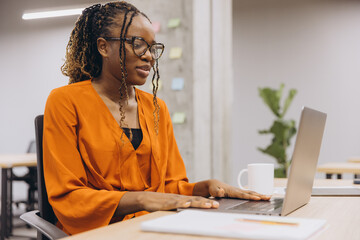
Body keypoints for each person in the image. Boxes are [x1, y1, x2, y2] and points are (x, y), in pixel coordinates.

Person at [43, 1, 270, 235]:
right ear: (103, 47)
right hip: (96, 232)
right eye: (139, 44)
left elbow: (168, 187)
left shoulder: (155, 107)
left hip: (152, 227)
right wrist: (141, 199)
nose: (150, 56)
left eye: (153, 48)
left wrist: (205, 187)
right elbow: (68, 196)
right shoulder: (65, 101)